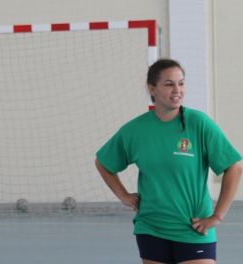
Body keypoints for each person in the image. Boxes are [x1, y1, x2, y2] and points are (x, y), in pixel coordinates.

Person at [95, 58, 242, 264]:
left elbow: (234, 166)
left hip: (194, 228)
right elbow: (103, 162)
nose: (177, 90)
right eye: (169, 84)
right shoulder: (136, 130)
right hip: (151, 227)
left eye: (181, 83)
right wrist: (123, 195)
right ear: (152, 88)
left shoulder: (199, 124)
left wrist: (217, 216)